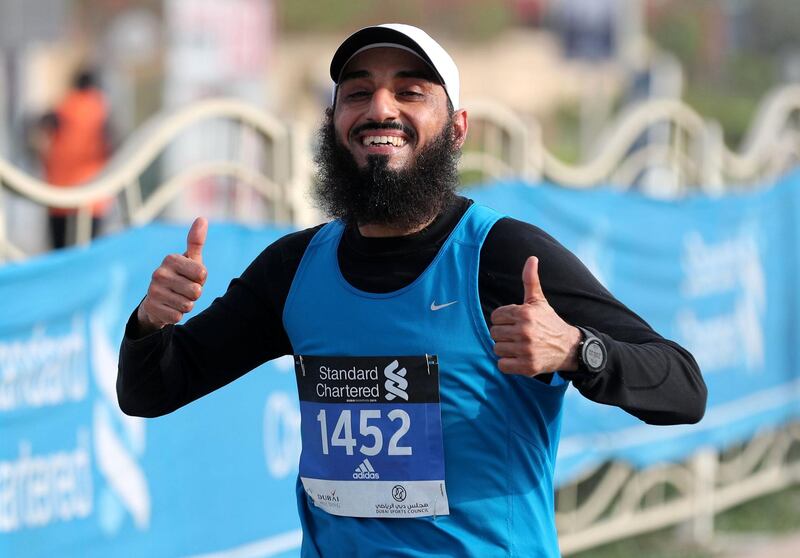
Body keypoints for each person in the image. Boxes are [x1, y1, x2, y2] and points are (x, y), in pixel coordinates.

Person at [117, 24, 706, 557]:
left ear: (456, 130)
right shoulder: (294, 270)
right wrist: (150, 323)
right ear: (333, 125)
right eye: (357, 92)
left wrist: (579, 350)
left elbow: (683, 387)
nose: (380, 108)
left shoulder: (501, 257)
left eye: (410, 91)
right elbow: (150, 390)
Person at [40, 69, 112, 249]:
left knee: (59, 256)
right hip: (92, 197)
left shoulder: (65, 106)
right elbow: (114, 144)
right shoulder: (102, 109)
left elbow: (39, 129)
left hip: (59, 196)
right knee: (87, 257)